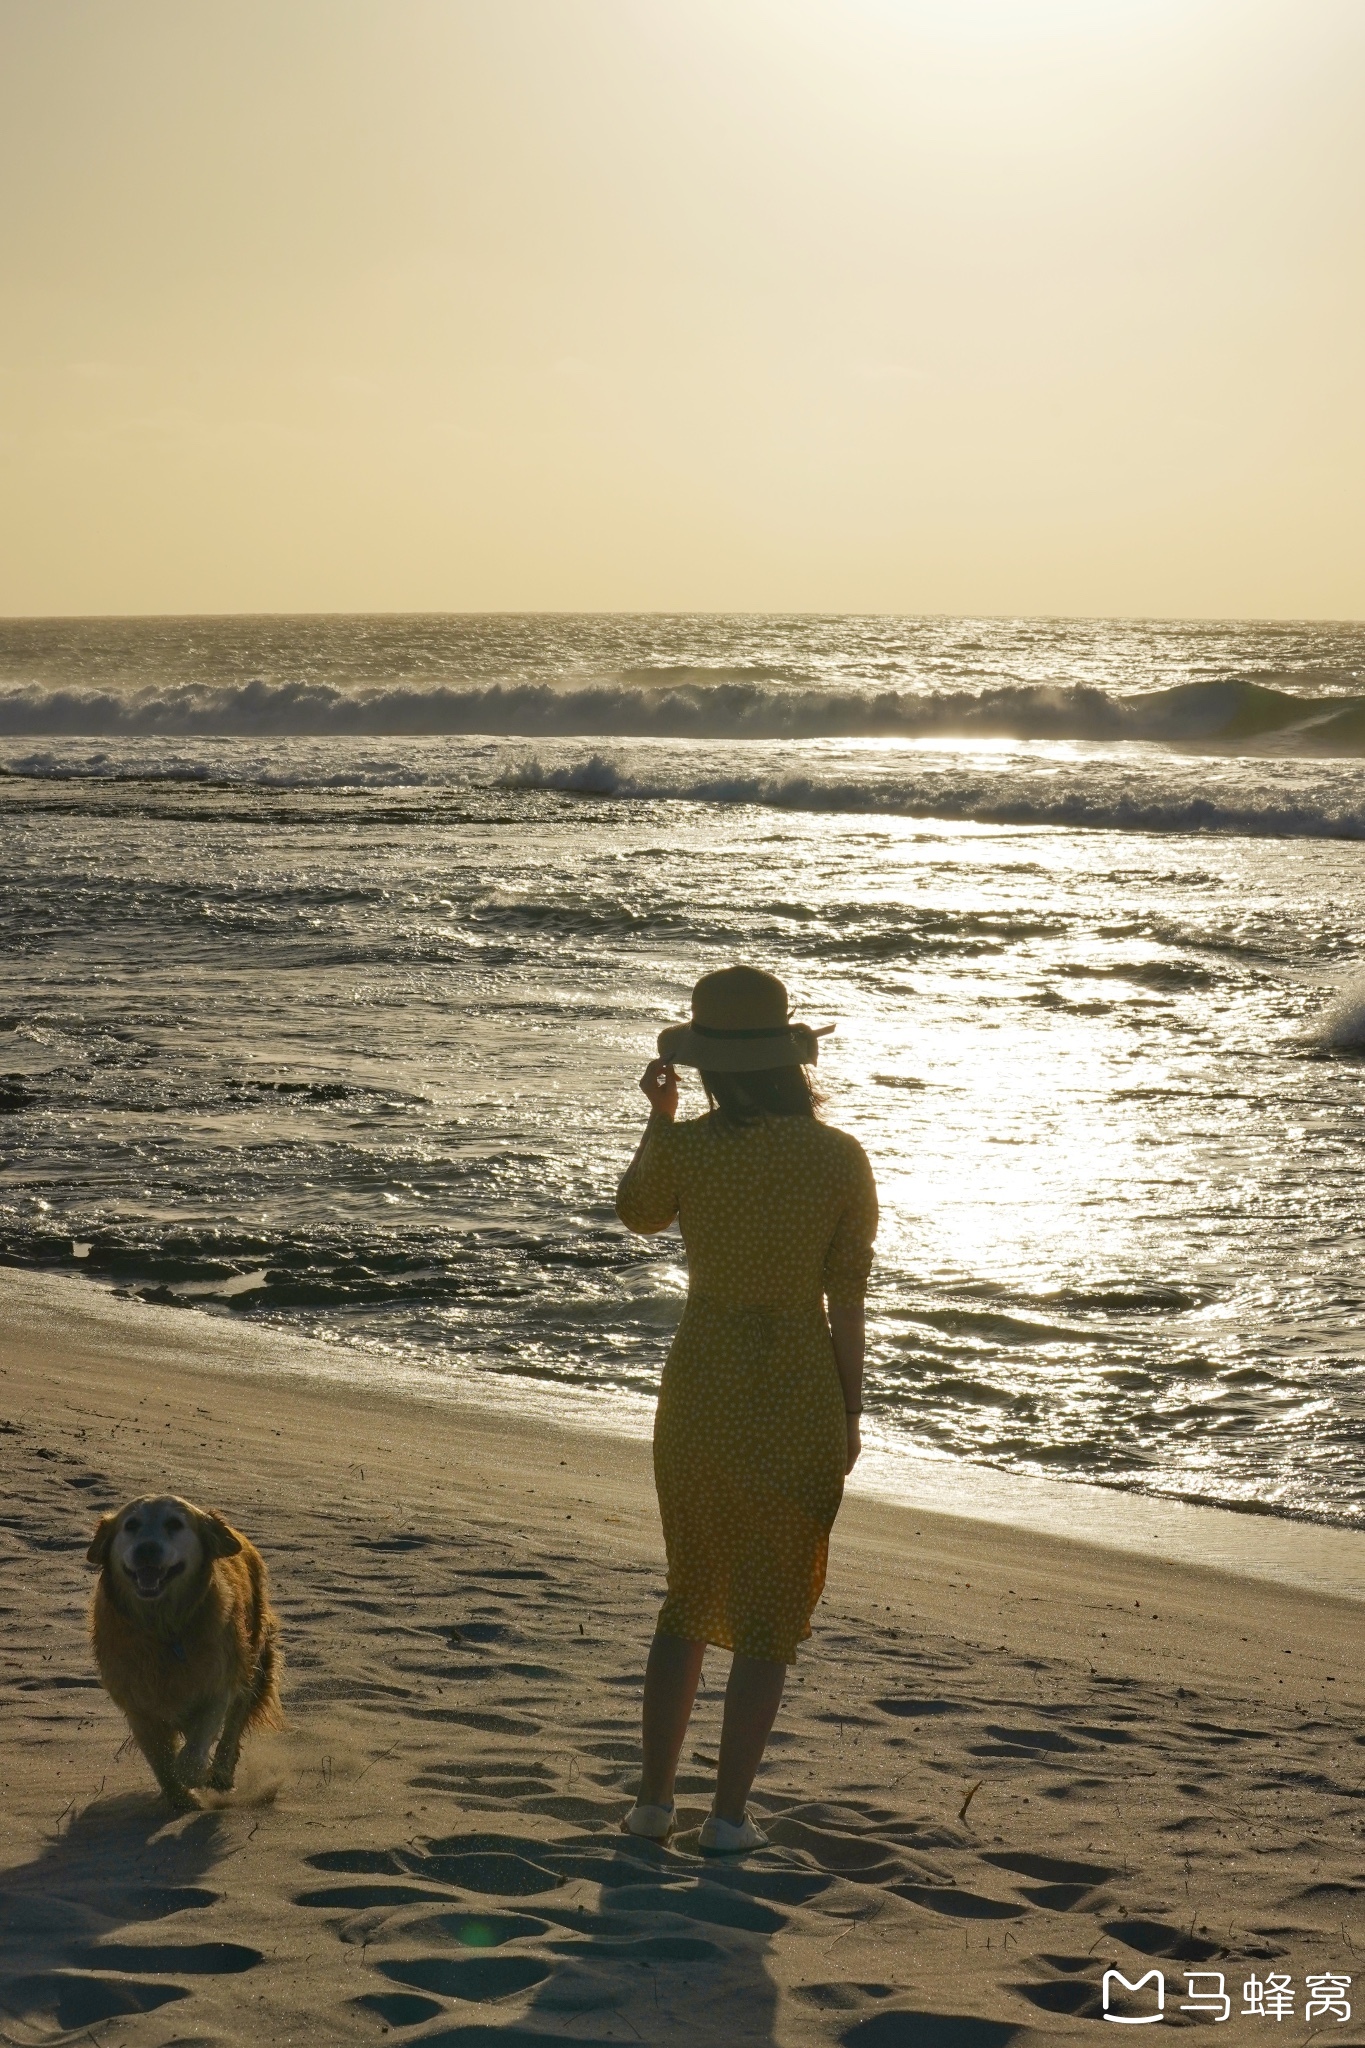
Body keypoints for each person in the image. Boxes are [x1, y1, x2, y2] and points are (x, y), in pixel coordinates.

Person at [615, 964, 878, 1855]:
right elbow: (847, 1301)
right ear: (788, 1059)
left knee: (689, 1594)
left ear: (709, 1063)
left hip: (702, 1384)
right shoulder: (838, 1158)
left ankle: (653, 1804)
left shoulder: (690, 1148)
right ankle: (727, 1818)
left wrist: (659, 1122)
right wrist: (848, 1413)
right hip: (797, 1384)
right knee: (769, 1612)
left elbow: (638, 1215)